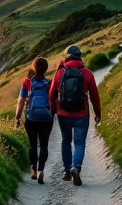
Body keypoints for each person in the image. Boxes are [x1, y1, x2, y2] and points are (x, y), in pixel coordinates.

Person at [49, 45, 102, 186]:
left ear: (66, 57)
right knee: (79, 143)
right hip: (81, 113)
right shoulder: (87, 73)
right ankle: (76, 168)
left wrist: (53, 108)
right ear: (80, 56)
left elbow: (52, 92)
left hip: (63, 113)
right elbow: (95, 96)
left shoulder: (60, 72)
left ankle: (67, 171)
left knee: (66, 140)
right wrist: (97, 112)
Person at [14, 57, 53, 184]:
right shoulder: (49, 83)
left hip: (31, 117)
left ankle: (34, 169)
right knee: (44, 145)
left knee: (33, 145)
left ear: (33, 68)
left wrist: (18, 117)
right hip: (46, 118)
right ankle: (41, 169)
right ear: (46, 68)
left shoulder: (27, 82)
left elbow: (21, 101)